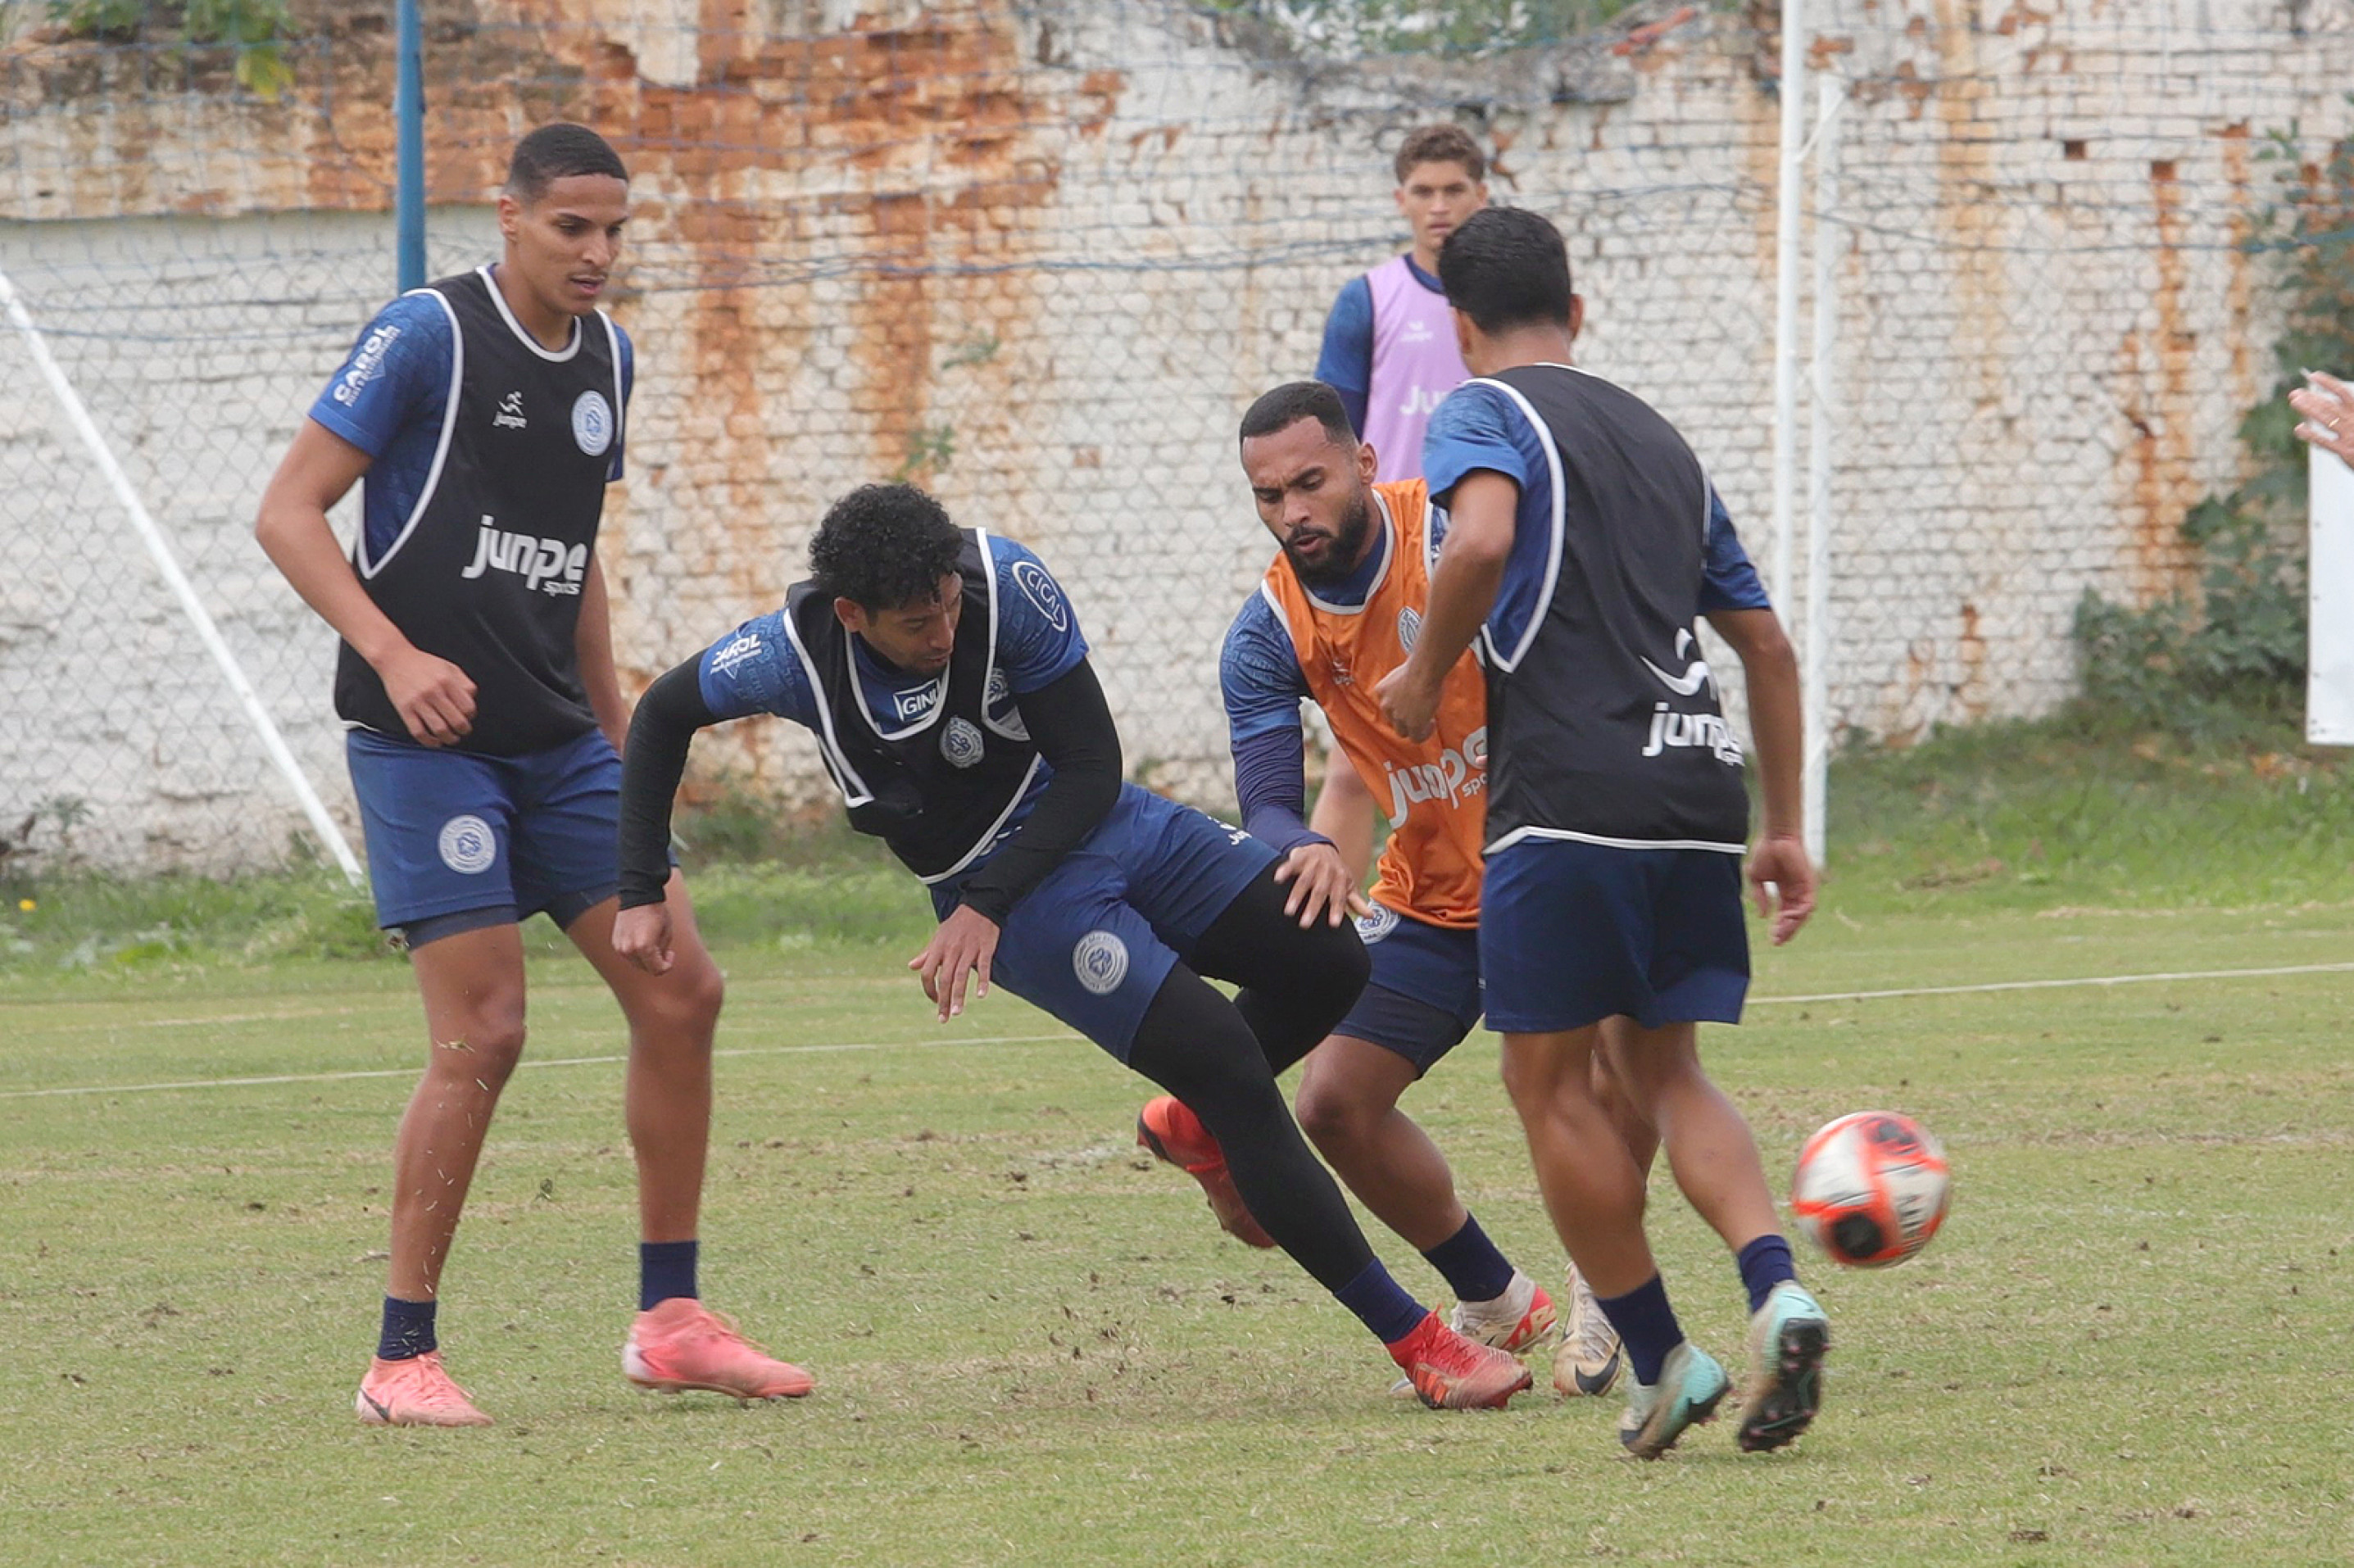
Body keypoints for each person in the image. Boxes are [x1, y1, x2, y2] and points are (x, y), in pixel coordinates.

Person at [610, 482, 1533, 1410]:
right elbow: (658, 719)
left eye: (945, 605)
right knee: (1228, 1068)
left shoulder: (1004, 582)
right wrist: (641, 886)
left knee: (1329, 956)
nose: (939, 631)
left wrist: (984, 907)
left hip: (1101, 824)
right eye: (911, 622)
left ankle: (1193, 1130)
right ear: (851, 615)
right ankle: (1420, 1344)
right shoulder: (786, 656)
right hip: (1022, 899)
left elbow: (1092, 766)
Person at [256, 124, 808, 1427]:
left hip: (558, 742)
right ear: (508, 218)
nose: (599, 252)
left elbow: (576, 555)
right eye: (572, 226)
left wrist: (621, 741)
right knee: (486, 1030)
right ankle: (401, 1357)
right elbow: (288, 510)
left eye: (616, 228)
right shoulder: (425, 335)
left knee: (682, 990)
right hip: (427, 745)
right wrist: (393, 656)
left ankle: (670, 1318)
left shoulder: (609, 357)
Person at [1376, 206, 1828, 1458]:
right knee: (1663, 1071)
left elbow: (1479, 536)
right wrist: (1785, 828)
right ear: (1578, 311)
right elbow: (1769, 647)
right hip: (1695, 785)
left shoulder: (1482, 410)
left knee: (1545, 1080)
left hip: (1566, 794)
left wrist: (1422, 672)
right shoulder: (1666, 443)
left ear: (1461, 328)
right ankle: (1775, 1285)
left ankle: (1660, 1356)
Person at [1214, 378, 1646, 1397]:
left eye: (1309, 483)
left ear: (1365, 464)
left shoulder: (1453, 530)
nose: (1292, 513)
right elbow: (1267, 803)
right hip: (1429, 893)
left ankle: (1605, 1283)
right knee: (1332, 1102)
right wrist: (1302, 847)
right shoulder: (1267, 629)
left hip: (1552, 858)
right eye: (1268, 497)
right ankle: (1493, 1294)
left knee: (1588, 1088)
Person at [1313, 124, 1489, 482]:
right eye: (1423, 192)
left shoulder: (1506, 296)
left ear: (1481, 195)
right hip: (1394, 521)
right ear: (1401, 200)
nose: (1439, 207)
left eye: (1454, 190)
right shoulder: (1366, 300)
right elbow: (1333, 434)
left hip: (1487, 519)